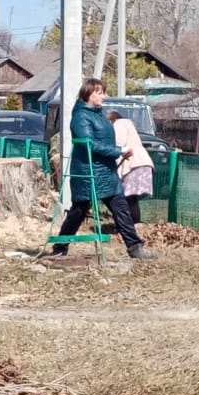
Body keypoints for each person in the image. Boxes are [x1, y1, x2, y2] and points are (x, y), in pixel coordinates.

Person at [51, 78, 155, 260]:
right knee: (78, 211)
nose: (102, 96)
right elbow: (89, 145)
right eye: (98, 92)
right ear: (87, 94)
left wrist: (117, 151)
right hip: (88, 172)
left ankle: (134, 247)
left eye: (102, 92)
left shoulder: (99, 114)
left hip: (106, 171)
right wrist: (118, 151)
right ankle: (60, 247)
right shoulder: (80, 117)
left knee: (121, 208)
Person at [108, 110, 154, 223]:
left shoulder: (119, 124)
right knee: (132, 199)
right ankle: (133, 224)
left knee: (128, 198)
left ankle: (131, 224)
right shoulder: (129, 125)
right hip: (143, 163)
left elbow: (118, 144)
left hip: (134, 164)